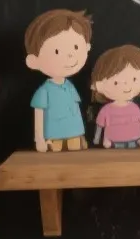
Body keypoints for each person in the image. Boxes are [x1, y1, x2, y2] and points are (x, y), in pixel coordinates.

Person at [25, 9, 92, 153]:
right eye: (56, 51)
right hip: (53, 139)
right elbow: (39, 116)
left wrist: (81, 135)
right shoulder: (44, 91)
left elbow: (75, 110)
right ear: (33, 61)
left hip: (75, 136)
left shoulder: (70, 87)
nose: (70, 56)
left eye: (75, 47)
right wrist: (40, 139)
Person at [90, 44, 140, 149]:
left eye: (133, 79)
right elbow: (100, 125)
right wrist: (97, 139)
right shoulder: (106, 110)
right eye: (115, 83)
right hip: (113, 142)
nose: (126, 86)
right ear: (99, 85)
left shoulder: (134, 108)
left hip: (134, 140)